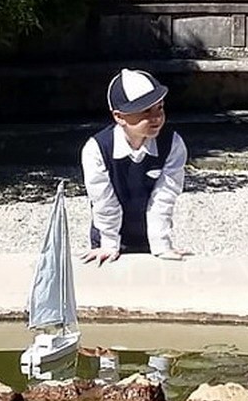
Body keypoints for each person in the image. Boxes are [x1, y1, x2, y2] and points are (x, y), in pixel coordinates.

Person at [80, 68, 190, 265]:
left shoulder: (172, 144)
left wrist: (161, 245)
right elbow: (103, 201)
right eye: (146, 111)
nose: (156, 118)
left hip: (150, 239)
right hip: (107, 238)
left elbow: (164, 197)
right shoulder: (96, 149)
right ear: (119, 116)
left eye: (160, 108)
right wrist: (109, 243)